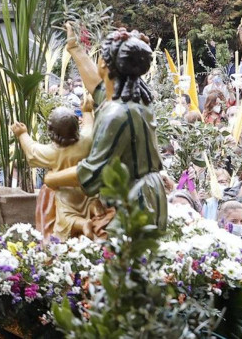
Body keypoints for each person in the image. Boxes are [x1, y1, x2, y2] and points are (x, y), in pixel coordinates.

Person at [45, 29, 168, 231]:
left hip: (131, 199)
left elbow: (95, 171)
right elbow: (98, 87)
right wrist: (74, 48)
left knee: (122, 259)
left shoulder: (116, 114)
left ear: (104, 63)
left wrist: (52, 178)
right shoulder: (134, 101)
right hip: (149, 193)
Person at [11, 93, 110, 239]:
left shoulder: (52, 152)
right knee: (91, 199)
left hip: (66, 194)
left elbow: (32, 152)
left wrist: (22, 134)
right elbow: (89, 126)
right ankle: (93, 205)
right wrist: (87, 110)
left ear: (51, 131)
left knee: (65, 217)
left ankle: (82, 224)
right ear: (76, 125)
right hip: (87, 188)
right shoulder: (86, 141)